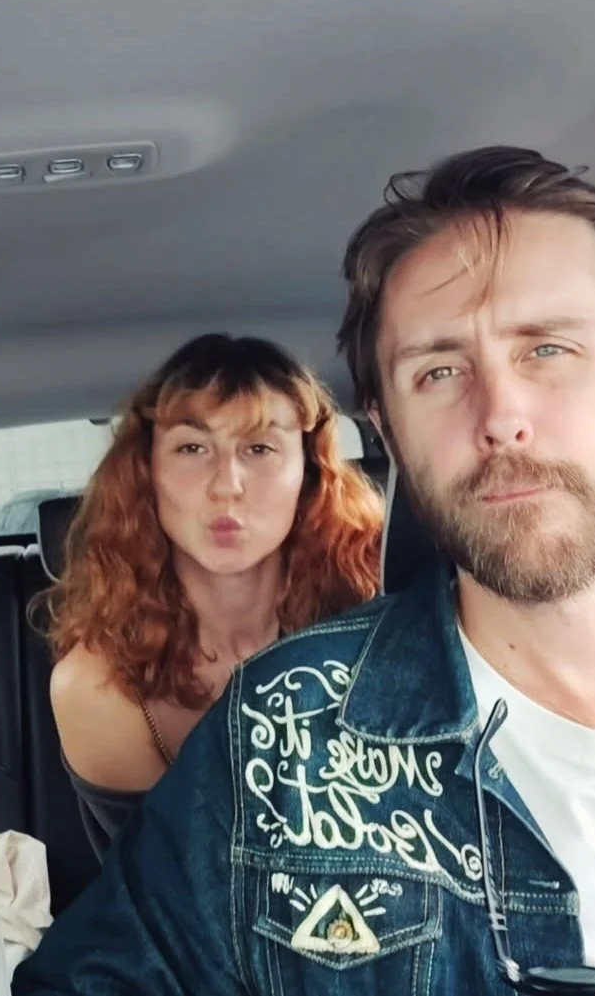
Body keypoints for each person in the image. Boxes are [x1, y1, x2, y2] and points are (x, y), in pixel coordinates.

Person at [13, 144, 595, 994]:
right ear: (388, 428)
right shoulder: (272, 733)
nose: (502, 417)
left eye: (548, 350)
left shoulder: (342, 609)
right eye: (440, 370)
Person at [42, 334, 384, 856]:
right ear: (146, 473)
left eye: (260, 448)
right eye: (192, 448)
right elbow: (179, 891)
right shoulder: (94, 687)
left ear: (310, 475)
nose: (227, 485)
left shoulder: (382, 630)